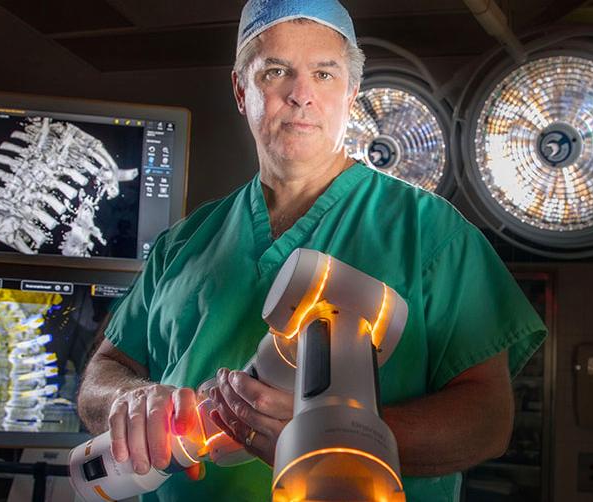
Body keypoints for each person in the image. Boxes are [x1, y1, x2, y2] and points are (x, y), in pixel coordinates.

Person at [76, 0, 547, 500]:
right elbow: (101, 376)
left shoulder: (432, 234)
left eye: (324, 74)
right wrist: (133, 401)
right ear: (241, 90)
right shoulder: (183, 242)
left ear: (351, 94)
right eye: (276, 71)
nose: (302, 95)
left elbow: (488, 422)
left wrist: (338, 436)